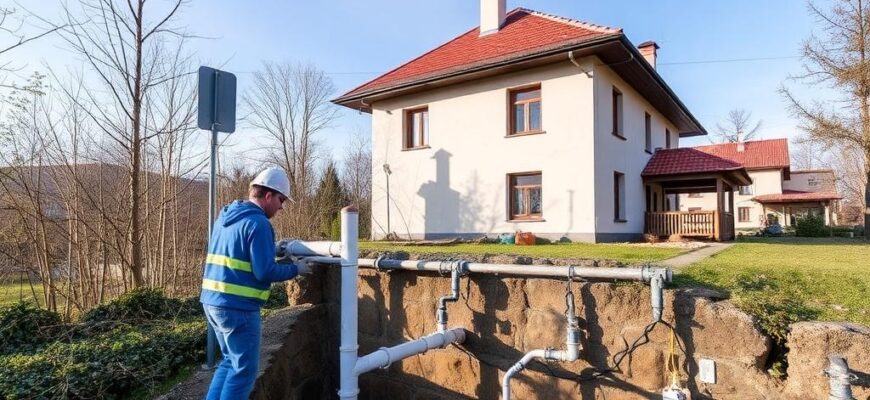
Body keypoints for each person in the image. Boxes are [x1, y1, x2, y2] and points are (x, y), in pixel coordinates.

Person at [200, 167, 311, 399]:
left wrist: (273, 248)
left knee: (229, 362)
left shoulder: (226, 217)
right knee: (244, 373)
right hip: (238, 309)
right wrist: (296, 269)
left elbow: (241, 253)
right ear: (268, 195)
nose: (282, 207)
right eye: (281, 199)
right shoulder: (259, 224)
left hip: (213, 302)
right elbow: (264, 272)